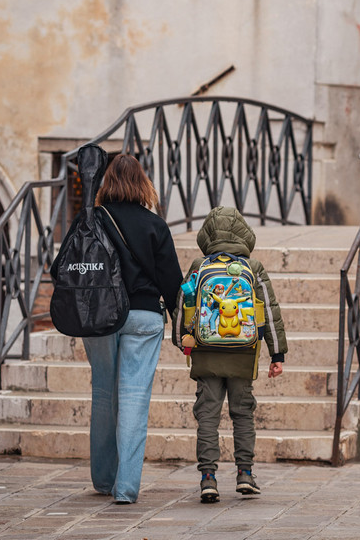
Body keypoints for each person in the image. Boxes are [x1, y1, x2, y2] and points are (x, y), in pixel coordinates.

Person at [81, 153, 183, 504]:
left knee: (104, 395)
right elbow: (173, 282)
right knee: (134, 399)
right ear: (143, 183)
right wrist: (181, 326)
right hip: (143, 316)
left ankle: (103, 478)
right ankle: (125, 487)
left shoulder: (91, 221)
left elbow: (63, 267)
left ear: (106, 183)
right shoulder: (155, 226)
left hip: (99, 317)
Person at [181, 206, 288, 503]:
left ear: (207, 235)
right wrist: (277, 354)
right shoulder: (253, 268)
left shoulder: (198, 265)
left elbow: (184, 307)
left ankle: (208, 478)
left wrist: (184, 342)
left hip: (205, 355)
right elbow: (270, 311)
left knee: (207, 417)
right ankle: (245, 474)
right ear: (243, 233)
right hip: (244, 354)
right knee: (243, 415)